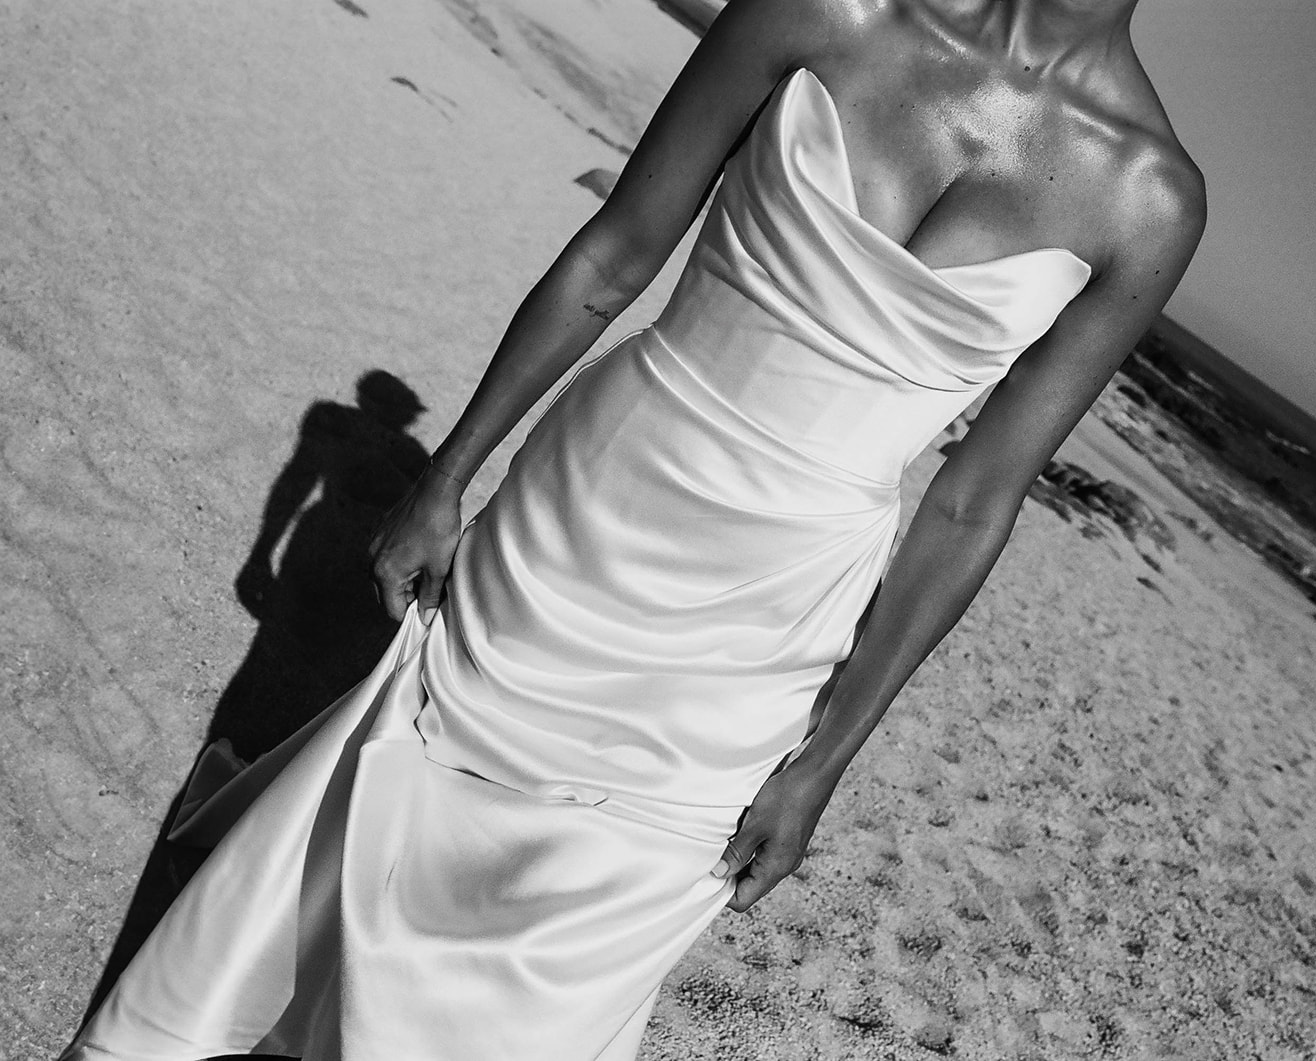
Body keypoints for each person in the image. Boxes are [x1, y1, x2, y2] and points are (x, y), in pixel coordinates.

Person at [65, 0, 1204, 1057]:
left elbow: (973, 498)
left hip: (781, 605)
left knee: (595, 913)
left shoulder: (1147, 198)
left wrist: (825, 761)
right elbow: (614, 256)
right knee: (426, 785)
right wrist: (446, 475)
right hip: (597, 499)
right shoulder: (824, 9)